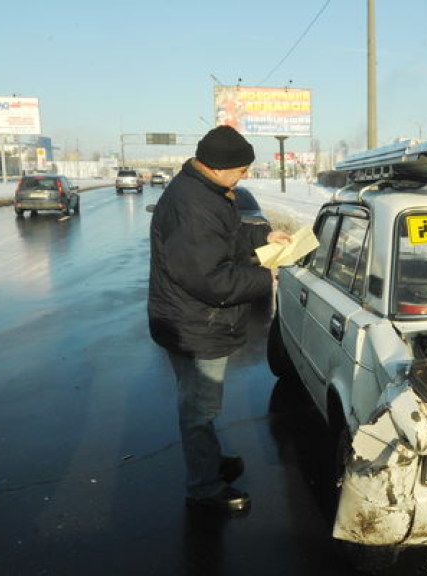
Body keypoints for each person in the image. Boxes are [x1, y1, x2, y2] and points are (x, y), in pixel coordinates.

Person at [148, 125, 290, 513]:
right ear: (221, 167)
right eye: (242, 169)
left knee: (199, 405)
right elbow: (212, 280)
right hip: (197, 324)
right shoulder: (193, 205)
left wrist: (263, 242)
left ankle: (207, 461)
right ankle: (204, 488)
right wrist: (266, 275)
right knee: (199, 410)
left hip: (191, 319)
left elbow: (224, 241)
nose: (244, 175)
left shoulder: (204, 192)